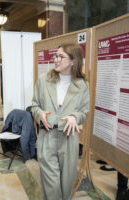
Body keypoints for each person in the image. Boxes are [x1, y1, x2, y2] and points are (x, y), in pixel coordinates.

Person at [31, 43, 89, 200]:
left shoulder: (82, 85)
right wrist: (40, 113)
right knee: (52, 187)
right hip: (47, 135)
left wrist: (75, 117)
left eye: (60, 56)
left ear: (73, 61)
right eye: (55, 56)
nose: (55, 59)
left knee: (67, 185)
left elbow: (84, 111)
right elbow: (34, 104)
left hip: (69, 138)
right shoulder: (44, 80)